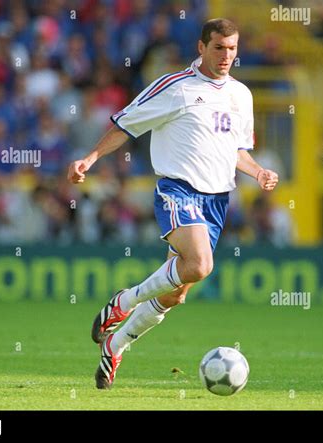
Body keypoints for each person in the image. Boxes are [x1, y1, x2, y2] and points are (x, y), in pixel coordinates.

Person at [67, 18, 279, 389]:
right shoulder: (175, 87)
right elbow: (125, 125)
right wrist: (91, 158)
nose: (226, 55)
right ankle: (123, 301)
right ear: (201, 48)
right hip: (177, 189)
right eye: (218, 48)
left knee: (175, 294)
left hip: (216, 200)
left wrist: (258, 171)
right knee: (199, 264)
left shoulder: (241, 95)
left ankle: (115, 346)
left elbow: (237, 150)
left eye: (232, 48)